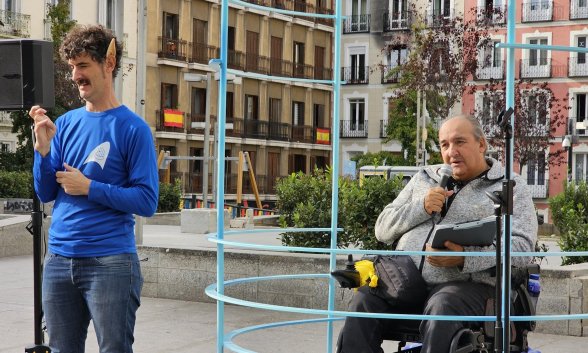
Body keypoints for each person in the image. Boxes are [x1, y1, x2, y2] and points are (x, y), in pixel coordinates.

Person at [336, 115, 537, 353]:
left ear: (481, 144)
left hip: (467, 289)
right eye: (444, 144)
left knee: (443, 304)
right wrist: (421, 207)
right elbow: (382, 229)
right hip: (406, 282)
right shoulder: (425, 177)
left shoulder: (509, 186)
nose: (451, 152)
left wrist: (464, 258)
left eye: (459, 142)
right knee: (365, 299)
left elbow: (522, 248)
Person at [29, 24, 158, 352]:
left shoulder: (133, 129)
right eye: (72, 67)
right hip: (58, 261)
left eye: (83, 65)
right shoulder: (68, 123)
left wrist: (89, 187)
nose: (75, 76)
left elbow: (147, 200)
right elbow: (46, 192)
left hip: (111, 263)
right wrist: (42, 152)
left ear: (109, 63)